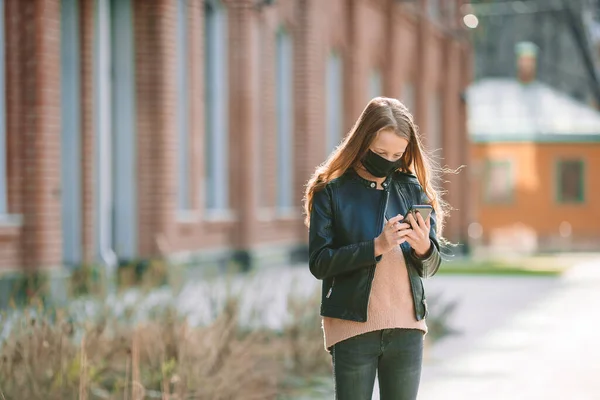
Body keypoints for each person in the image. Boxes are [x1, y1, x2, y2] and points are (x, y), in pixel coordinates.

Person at [303, 97, 447, 400]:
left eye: (397, 154)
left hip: (407, 327)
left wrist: (423, 247)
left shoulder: (412, 189)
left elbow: (430, 265)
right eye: (381, 152)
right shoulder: (331, 191)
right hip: (353, 326)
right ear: (362, 141)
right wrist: (376, 246)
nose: (389, 160)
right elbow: (319, 263)